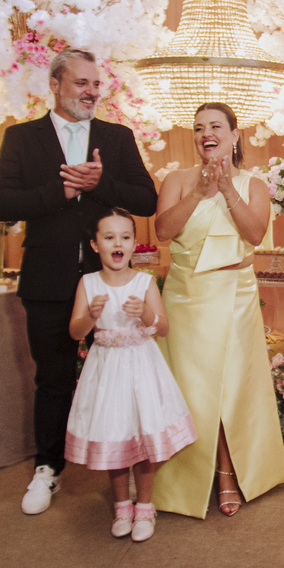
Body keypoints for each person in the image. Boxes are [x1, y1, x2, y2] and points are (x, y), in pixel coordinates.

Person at [0, 48, 159, 515]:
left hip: (112, 282)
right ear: (55, 84)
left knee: (124, 373)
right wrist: (59, 191)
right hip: (48, 281)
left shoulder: (117, 137)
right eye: (82, 83)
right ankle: (48, 467)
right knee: (54, 378)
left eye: (96, 84)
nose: (91, 92)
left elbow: (146, 199)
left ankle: (126, 464)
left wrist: (100, 184)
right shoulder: (22, 138)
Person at [152, 102, 284, 518]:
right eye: (198, 128)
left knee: (232, 386)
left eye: (215, 126)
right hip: (186, 297)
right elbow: (162, 231)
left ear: (233, 135)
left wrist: (228, 190)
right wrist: (198, 192)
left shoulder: (254, 185)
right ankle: (186, 473)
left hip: (235, 296)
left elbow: (255, 233)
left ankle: (228, 473)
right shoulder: (176, 180)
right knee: (190, 387)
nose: (205, 133)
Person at [65, 207, 197, 542]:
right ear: (95, 245)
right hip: (106, 372)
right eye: (109, 237)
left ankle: (145, 507)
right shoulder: (88, 283)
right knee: (114, 435)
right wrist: (91, 315)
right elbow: (76, 332)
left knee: (143, 435)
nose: (117, 243)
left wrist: (147, 313)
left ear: (134, 243)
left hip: (141, 369)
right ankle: (122, 506)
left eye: (125, 237)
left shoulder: (144, 282)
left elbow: (163, 328)